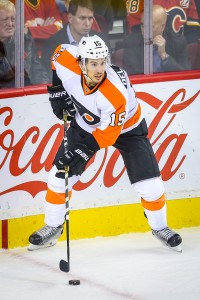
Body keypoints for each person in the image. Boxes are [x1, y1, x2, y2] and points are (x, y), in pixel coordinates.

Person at [28, 35, 182, 253]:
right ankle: (53, 226)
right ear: (81, 62)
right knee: (59, 177)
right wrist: (58, 92)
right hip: (86, 125)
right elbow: (57, 54)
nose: (100, 69)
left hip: (127, 129)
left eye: (103, 62)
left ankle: (160, 227)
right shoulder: (67, 60)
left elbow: (109, 133)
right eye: (93, 63)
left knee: (150, 185)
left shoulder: (113, 91)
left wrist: (83, 152)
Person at [41, 0, 111, 81]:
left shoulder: (102, 40)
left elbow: (108, 72)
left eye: (90, 18)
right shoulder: (53, 44)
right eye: (82, 18)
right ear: (70, 18)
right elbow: (50, 79)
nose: (87, 23)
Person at [123, 4, 191, 75]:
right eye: (143, 25)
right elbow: (132, 74)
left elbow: (185, 75)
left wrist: (164, 56)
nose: (145, 30)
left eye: (151, 27)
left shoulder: (178, 42)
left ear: (162, 27)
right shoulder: (131, 42)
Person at [0, 0, 48, 87]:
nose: (10, 24)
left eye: (13, 19)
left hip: (26, 95)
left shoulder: (26, 41)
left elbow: (39, 72)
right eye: (5, 19)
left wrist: (42, 92)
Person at [124, 0, 200, 43]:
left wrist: (183, 52)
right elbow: (136, 33)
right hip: (145, 53)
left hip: (177, 51)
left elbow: (192, 30)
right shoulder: (137, 2)